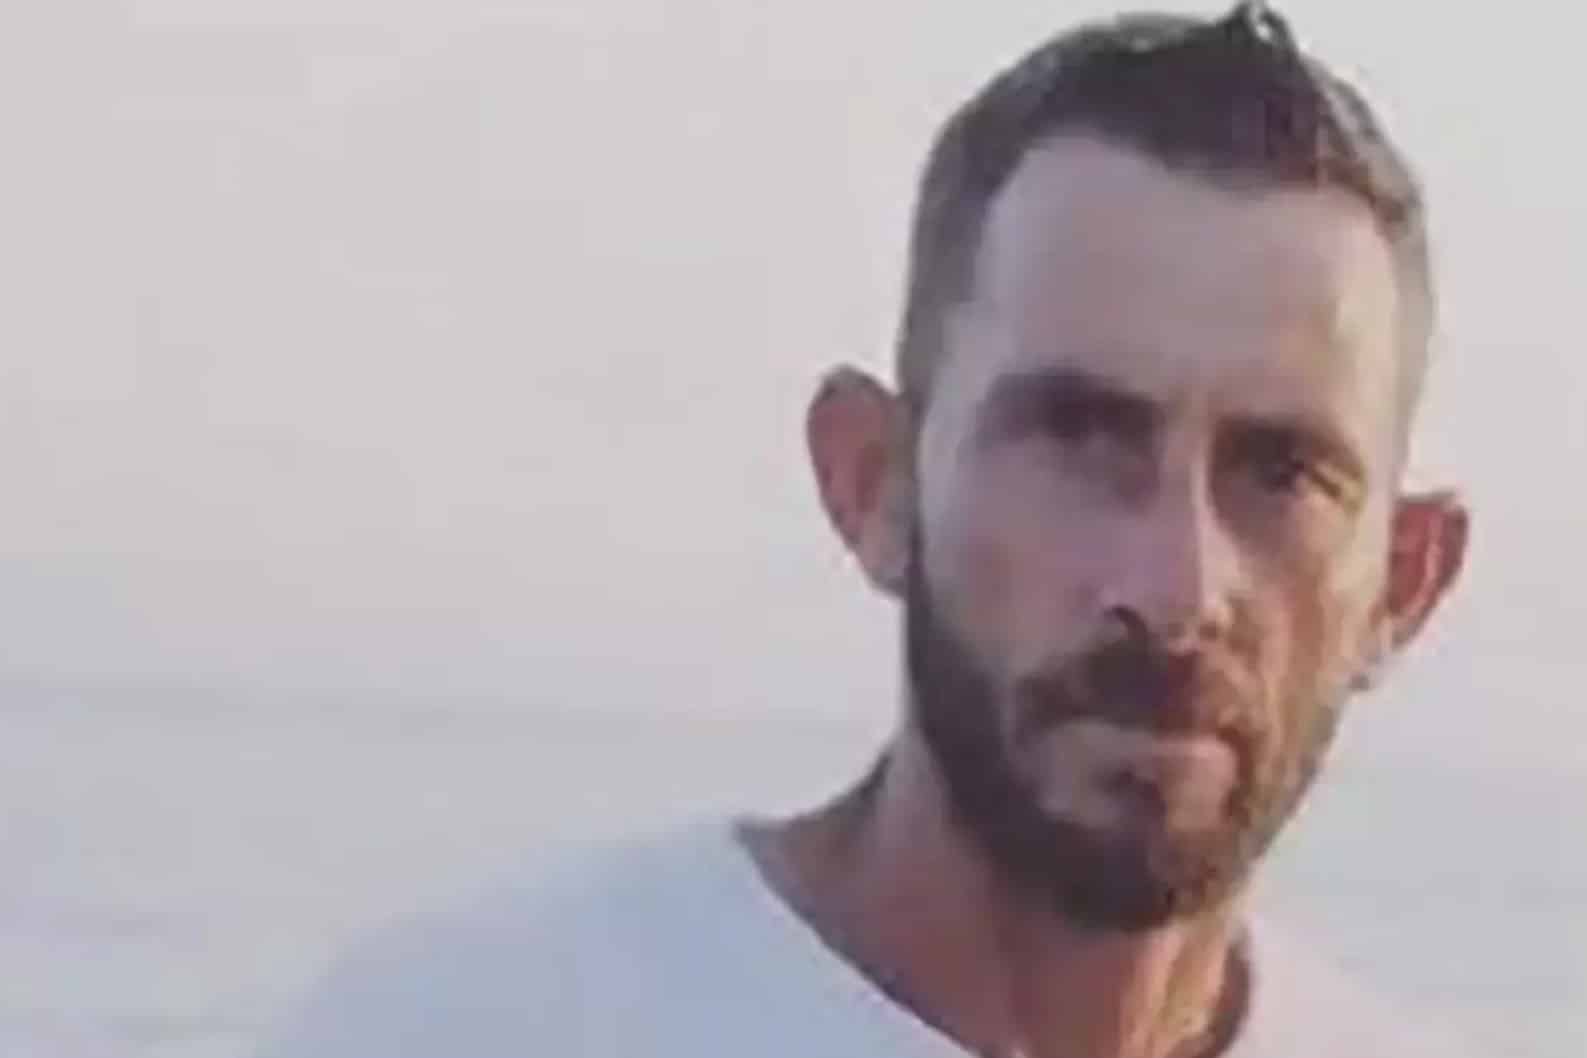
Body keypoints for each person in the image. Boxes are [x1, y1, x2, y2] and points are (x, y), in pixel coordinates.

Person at [257, 4, 1476, 1056]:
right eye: (1080, 437)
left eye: (1281, 473)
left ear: (1403, 583)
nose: (1174, 586)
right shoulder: (469, 1026)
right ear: (874, 482)